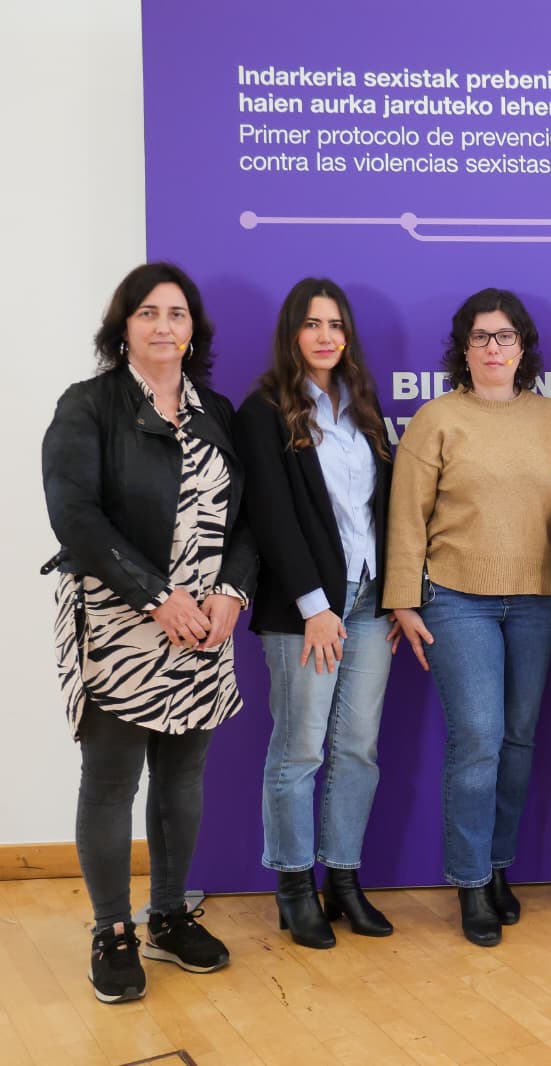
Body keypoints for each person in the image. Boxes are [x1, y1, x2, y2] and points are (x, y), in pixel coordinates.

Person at [42, 262, 255, 1003]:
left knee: (182, 778)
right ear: (123, 326)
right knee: (110, 781)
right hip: (120, 622)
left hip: (204, 628)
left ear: (194, 330)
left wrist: (231, 592)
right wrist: (157, 597)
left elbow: (246, 521)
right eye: (148, 313)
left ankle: (168, 916)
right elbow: (76, 516)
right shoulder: (89, 406)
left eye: (178, 314)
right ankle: (111, 930)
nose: (164, 325)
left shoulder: (216, 412)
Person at [385, 288, 551, 947]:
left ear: (524, 348)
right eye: (482, 337)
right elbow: (407, 515)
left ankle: (497, 867)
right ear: (463, 349)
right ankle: (467, 880)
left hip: (537, 599)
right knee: (479, 738)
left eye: (506, 337)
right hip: (456, 597)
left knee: (519, 740)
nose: (494, 348)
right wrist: (403, 599)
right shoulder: (437, 418)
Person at [236, 278, 398, 949]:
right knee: (300, 749)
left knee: (357, 749)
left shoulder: (361, 406)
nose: (326, 336)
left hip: (367, 603)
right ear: (291, 333)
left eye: (336, 324)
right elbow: (271, 518)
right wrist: (314, 607)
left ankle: (345, 881)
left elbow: (375, 512)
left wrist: (392, 594)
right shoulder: (264, 410)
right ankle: (295, 887)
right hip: (307, 611)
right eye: (312, 324)